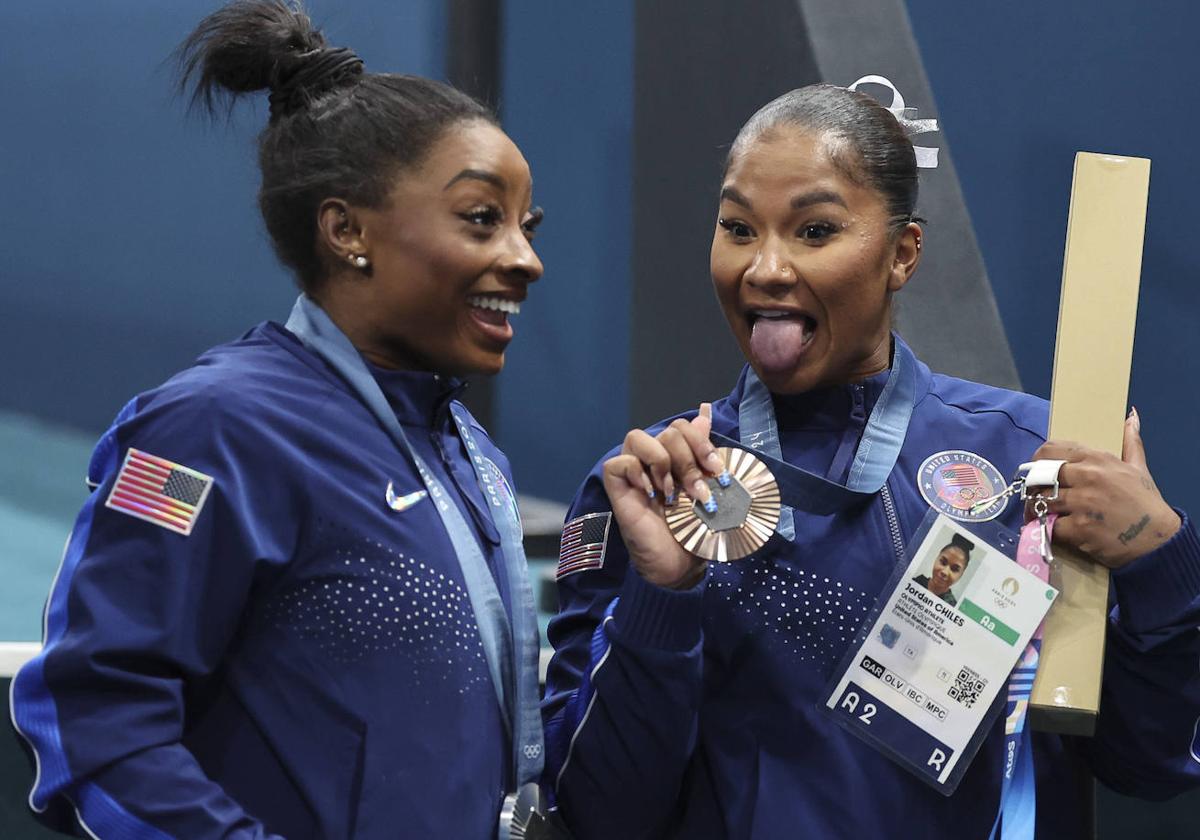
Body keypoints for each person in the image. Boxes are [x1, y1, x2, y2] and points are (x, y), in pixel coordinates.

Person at [541, 82, 1200, 839]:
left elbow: (1151, 766)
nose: (766, 268)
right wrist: (663, 596)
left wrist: (1162, 565)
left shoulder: (1036, 460)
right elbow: (596, 810)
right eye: (738, 228)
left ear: (902, 254)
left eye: (815, 230)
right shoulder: (656, 485)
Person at [10, 2, 545, 837]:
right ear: (346, 230)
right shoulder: (212, 429)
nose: (524, 258)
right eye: (483, 218)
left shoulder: (471, 455)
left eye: (525, 225)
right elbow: (97, 718)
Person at [913, 533, 974, 605]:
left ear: (961, 574)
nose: (945, 572)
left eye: (954, 569)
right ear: (936, 558)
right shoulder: (915, 582)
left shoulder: (952, 606)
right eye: (943, 562)